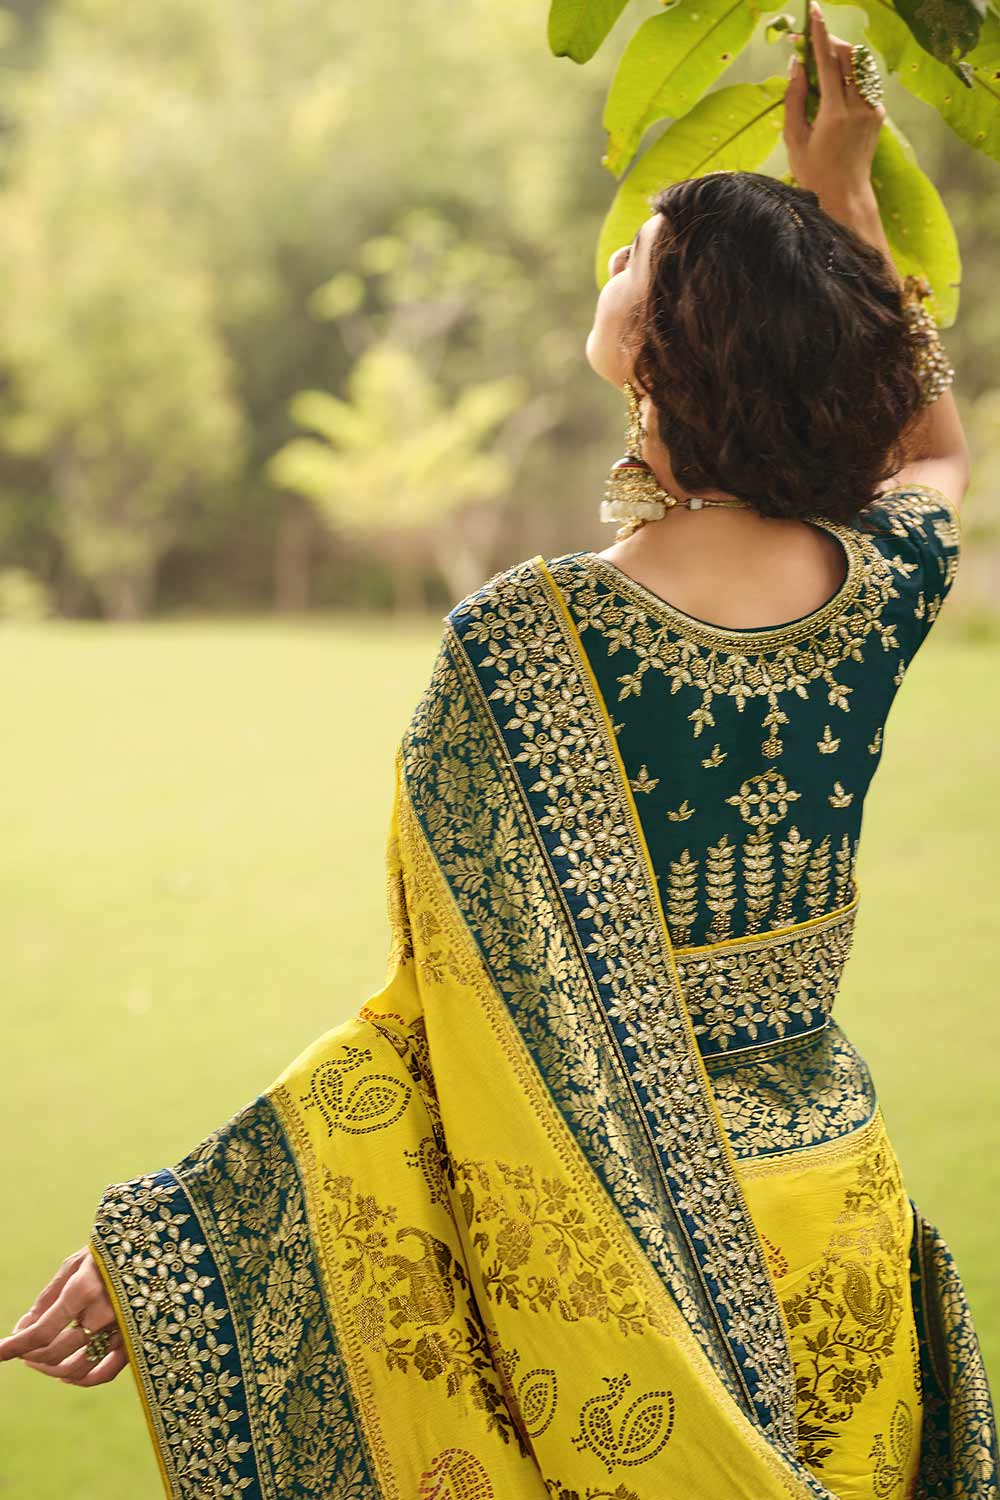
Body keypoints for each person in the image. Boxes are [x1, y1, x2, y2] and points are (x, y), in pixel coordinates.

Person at [1, 4, 996, 1495]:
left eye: (641, 256)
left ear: (666, 350)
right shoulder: (874, 591)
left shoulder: (526, 646)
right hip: (834, 1217)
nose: (616, 254)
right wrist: (843, 195)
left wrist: (186, 1238)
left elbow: (442, 1018)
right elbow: (934, 454)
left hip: (634, 1263)